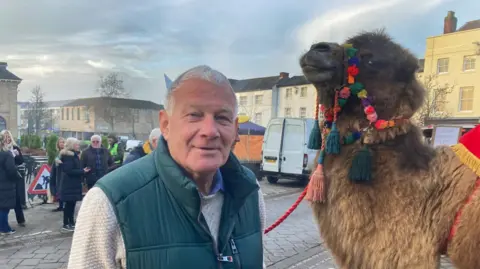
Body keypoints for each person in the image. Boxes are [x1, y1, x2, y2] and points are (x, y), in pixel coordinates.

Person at [68, 65, 266, 269]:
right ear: (165, 125)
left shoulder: (250, 193)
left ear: (235, 130)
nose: (209, 131)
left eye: (221, 118)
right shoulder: (109, 201)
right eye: (194, 115)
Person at [59, 137, 90, 231]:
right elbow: (68, 170)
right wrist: (82, 171)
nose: (78, 146)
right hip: (69, 183)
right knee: (69, 204)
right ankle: (66, 223)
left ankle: (71, 222)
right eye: (76, 144)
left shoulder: (74, 155)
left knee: (72, 204)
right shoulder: (69, 156)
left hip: (73, 183)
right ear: (72, 145)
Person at [1, 130, 26, 227]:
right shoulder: (1, 149)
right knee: (4, 201)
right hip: (4, 177)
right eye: (5, 137)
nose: (7, 139)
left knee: (17, 198)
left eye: (9, 136)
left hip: (14, 175)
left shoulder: (15, 147)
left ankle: (20, 219)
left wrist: (15, 155)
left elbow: (21, 161)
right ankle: (3, 224)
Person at [50, 137, 65, 212]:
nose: (62, 143)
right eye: (60, 142)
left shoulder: (66, 152)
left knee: (62, 188)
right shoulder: (58, 152)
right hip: (57, 171)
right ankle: (60, 205)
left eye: (63, 142)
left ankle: (64, 205)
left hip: (63, 172)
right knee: (58, 187)